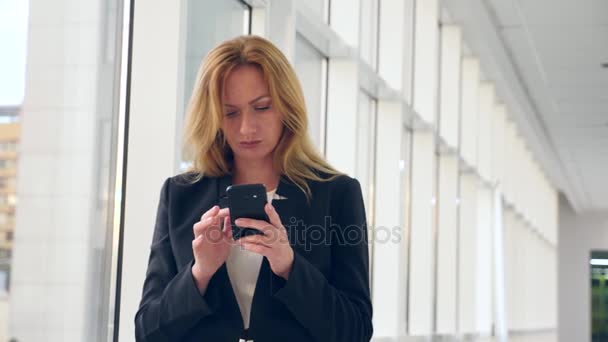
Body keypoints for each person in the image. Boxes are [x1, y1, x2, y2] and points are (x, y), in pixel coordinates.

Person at [134, 35, 373, 342]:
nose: (246, 128)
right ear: (213, 117)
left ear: (287, 107)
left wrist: (289, 266)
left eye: (262, 107)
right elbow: (147, 332)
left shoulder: (336, 194)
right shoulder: (180, 195)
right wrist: (200, 273)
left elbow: (355, 330)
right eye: (230, 112)